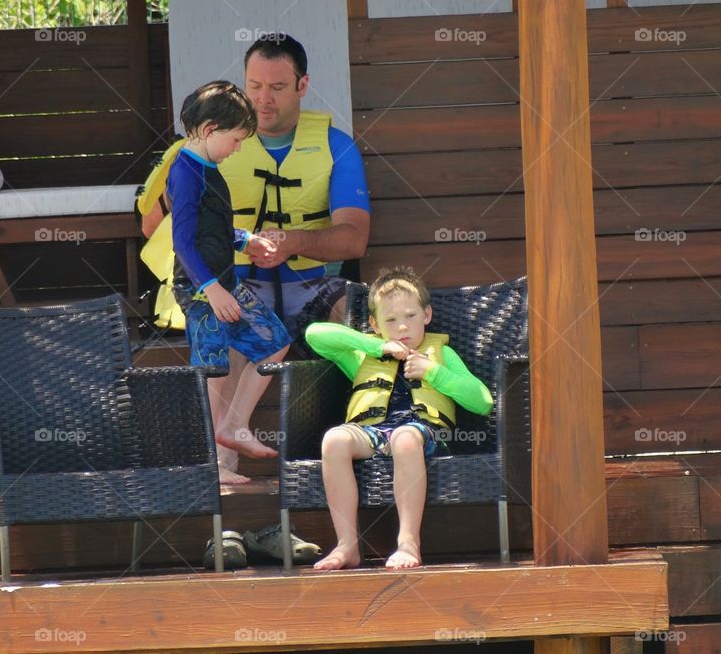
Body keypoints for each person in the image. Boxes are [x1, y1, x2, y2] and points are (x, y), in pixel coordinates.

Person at [210, 33, 371, 479]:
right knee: (224, 316)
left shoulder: (336, 146)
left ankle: (370, 445)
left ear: (302, 86)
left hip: (312, 286)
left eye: (277, 88)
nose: (263, 99)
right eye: (254, 86)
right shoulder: (216, 146)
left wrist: (294, 242)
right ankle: (222, 472)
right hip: (241, 285)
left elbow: (355, 239)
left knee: (361, 314)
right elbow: (173, 224)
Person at [304, 267, 493, 570]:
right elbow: (315, 335)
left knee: (404, 438)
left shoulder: (441, 355)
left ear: (427, 315)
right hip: (372, 433)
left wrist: (434, 372)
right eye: (390, 320)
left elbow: (482, 402)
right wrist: (376, 346)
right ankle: (347, 545)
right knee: (334, 440)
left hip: (422, 434)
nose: (402, 327)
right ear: (374, 324)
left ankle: (408, 542)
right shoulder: (365, 356)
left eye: (410, 316)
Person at [166, 80, 291, 485]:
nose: (238, 148)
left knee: (275, 342)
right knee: (213, 371)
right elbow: (183, 241)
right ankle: (210, 466)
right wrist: (211, 289)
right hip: (202, 290)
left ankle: (235, 425)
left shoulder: (210, 169)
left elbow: (214, 231)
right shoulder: (185, 174)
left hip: (224, 282)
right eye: (235, 139)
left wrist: (246, 239)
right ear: (208, 130)